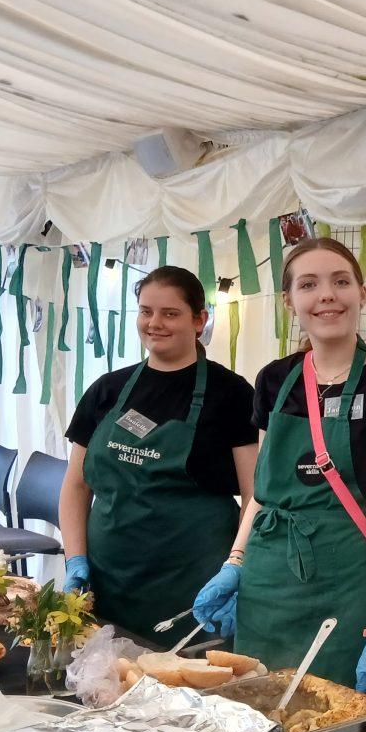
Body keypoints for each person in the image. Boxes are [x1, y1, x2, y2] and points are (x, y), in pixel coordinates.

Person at [191, 238, 366, 695]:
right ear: (289, 301)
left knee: (344, 726)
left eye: (340, 282)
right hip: (269, 582)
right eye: (309, 284)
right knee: (261, 714)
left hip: (348, 584)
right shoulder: (275, 380)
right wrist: (235, 563)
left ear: (360, 291)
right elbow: (262, 491)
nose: (327, 295)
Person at [60, 266, 258, 648]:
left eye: (170, 313)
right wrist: (75, 560)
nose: (155, 323)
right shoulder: (108, 390)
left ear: (199, 320)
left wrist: (237, 565)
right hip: (108, 582)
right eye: (146, 311)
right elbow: (76, 484)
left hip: (191, 591)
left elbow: (254, 496)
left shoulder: (231, 394)